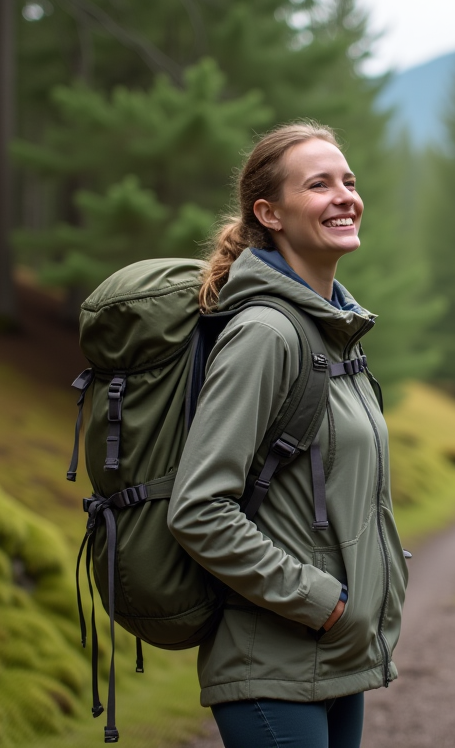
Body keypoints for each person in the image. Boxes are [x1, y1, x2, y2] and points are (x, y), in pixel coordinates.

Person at [168, 121, 408, 748]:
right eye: (320, 184)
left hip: (332, 657)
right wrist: (323, 601)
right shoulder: (267, 334)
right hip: (273, 662)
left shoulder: (335, 334)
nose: (345, 197)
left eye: (349, 182)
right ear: (269, 213)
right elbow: (198, 509)